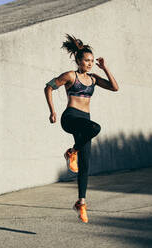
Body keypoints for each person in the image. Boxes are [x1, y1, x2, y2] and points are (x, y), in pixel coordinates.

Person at [44, 34, 119, 223]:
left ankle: (81, 203)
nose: (90, 64)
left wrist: (105, 68)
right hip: (70, 117)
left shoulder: (93, 79)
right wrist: (52, 111)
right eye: (87, 60)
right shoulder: (71, 76)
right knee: (96, 127)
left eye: (92, 61)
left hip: (84, 122)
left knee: (85, 165)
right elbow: (48, 87)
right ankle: (72, 152)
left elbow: (115, 87)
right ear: (78, 60)